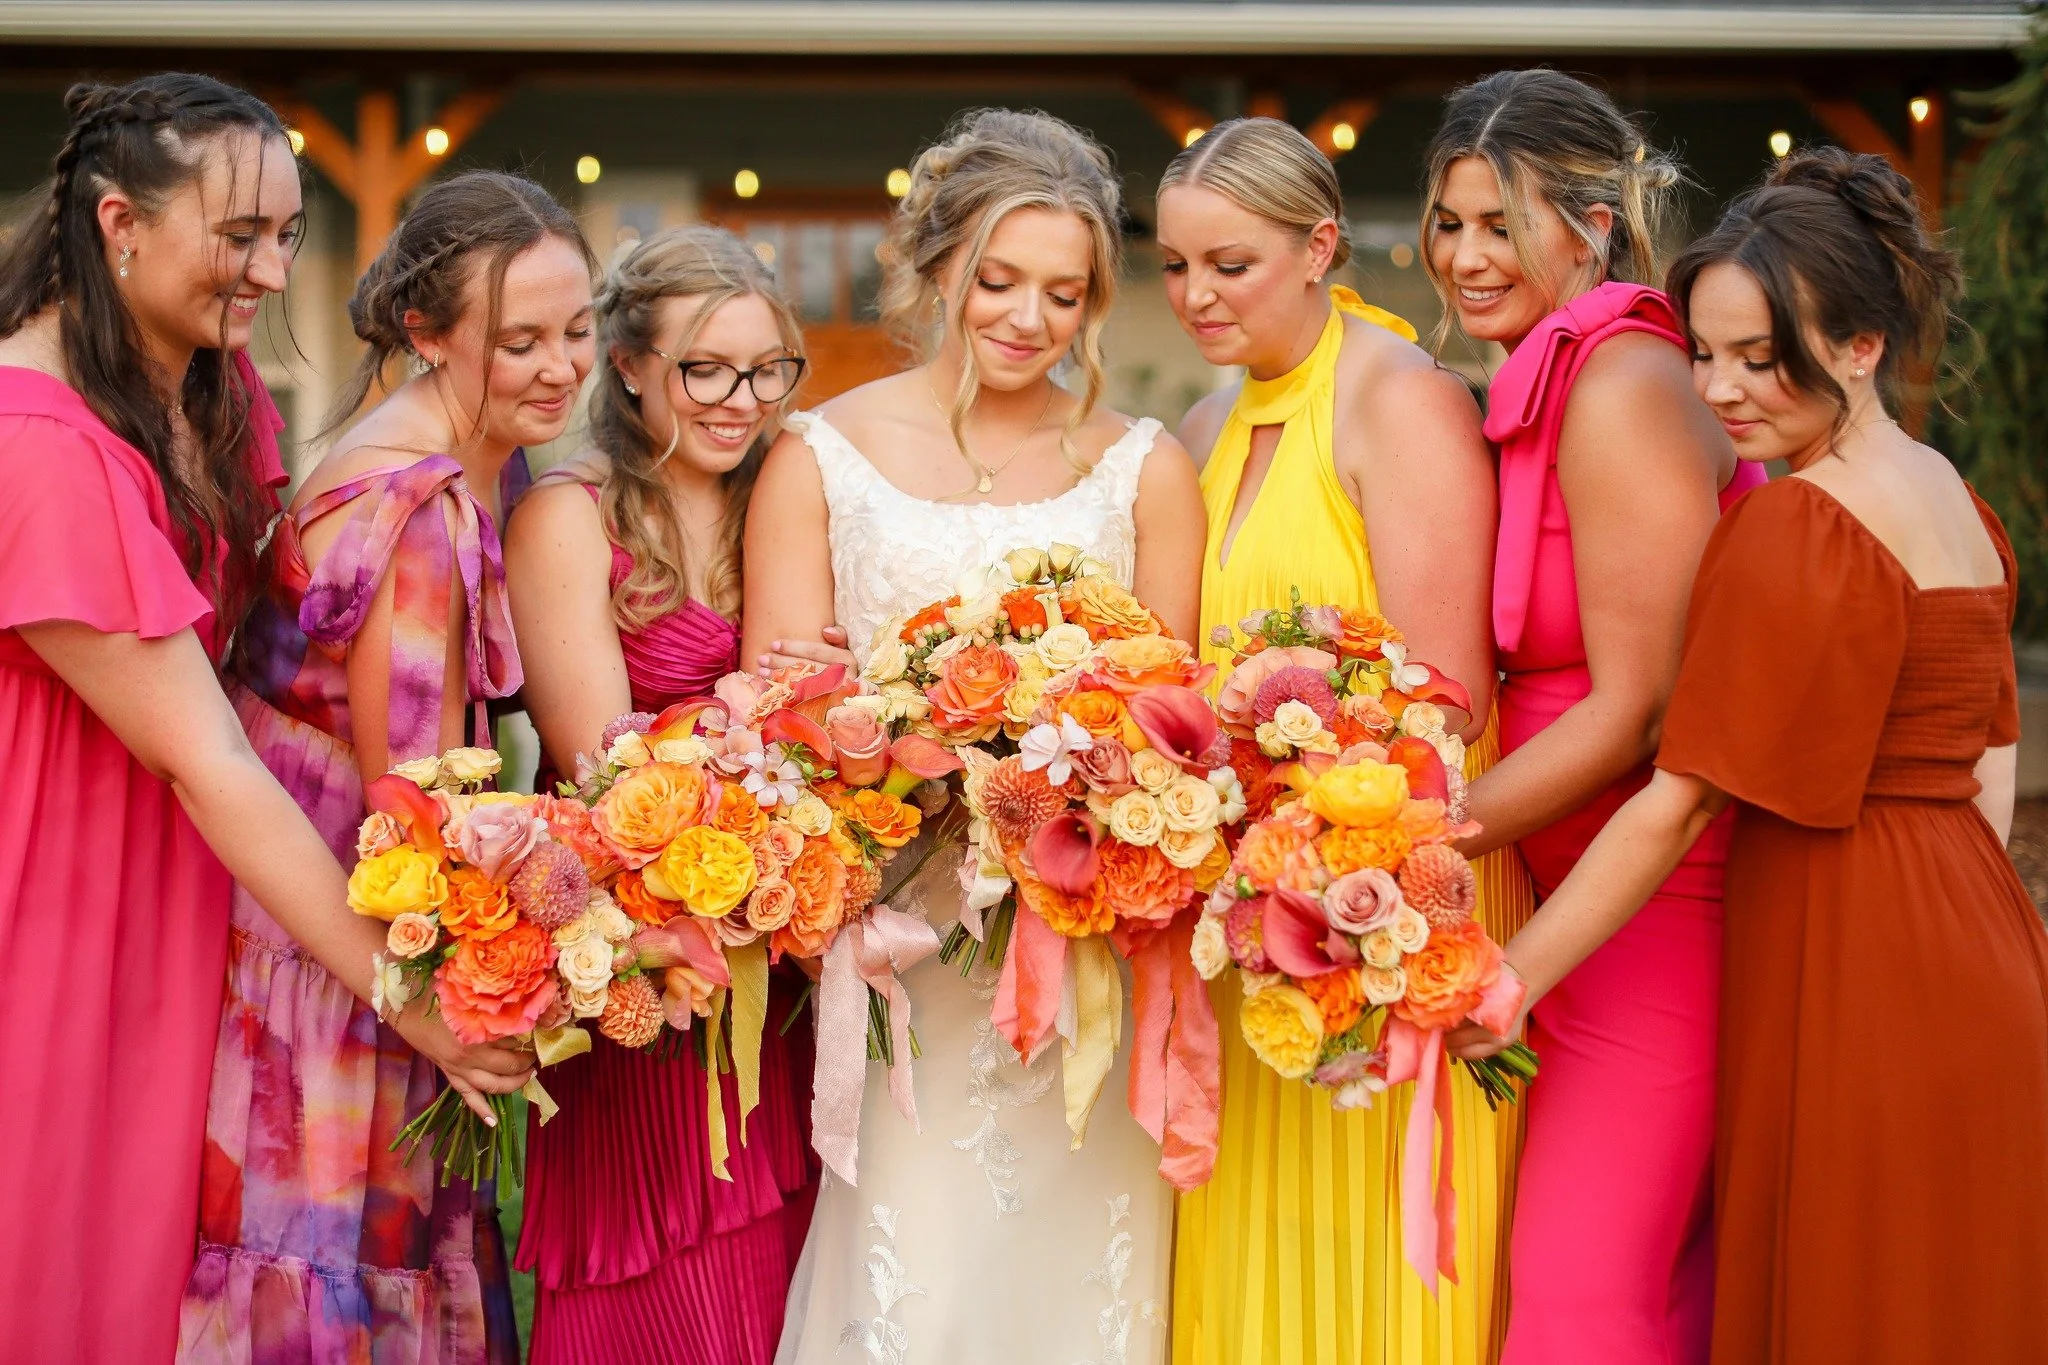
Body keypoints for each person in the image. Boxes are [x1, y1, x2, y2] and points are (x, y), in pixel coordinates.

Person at [1458, 146, 2048, 1365]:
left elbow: (1675, 805)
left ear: (1858, 347)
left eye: (1756, 358)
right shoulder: (1948, 491)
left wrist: (1504, 982)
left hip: (1848, 934)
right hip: (1982, 937)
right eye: (1705, 353)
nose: (1720, 391)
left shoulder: (1797, 519)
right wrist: (1951, 912)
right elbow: (1993, 749)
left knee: (1847, 1288)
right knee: (1943, 1288)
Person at [0, 74, 530, 1364]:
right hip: (66, 891)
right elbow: (205, 758)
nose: (272, 268)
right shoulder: (36, 447)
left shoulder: (207, 386)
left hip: (207, 882)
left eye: (288, 234)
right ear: (119, 225)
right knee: (66, 1246)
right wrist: (408, 1001)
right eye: (239, 236)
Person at [746, 107, 1205, 1365]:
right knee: (918, 1274)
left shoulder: (1140, 468)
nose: (1026, 318)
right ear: (936, 264)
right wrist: (895, 750)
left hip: (1084, 947)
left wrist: (1085, 776)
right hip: (903, 939)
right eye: (997, 280)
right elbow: (776, 720)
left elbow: (1177, 725)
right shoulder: (820, 458)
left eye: (1063, 295)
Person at [179, 169, 594, 1363]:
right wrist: (470, 999)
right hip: (337, 953)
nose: (560, 366)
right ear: (426, 331)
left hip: (292, 928)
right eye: (518, 341)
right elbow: (415, 810)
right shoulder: (416, 511)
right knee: (322, 1272)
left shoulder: (453, 449)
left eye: (576, 330)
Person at [1155, 115, 1531, 1365]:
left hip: (1382, 903)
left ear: (1318, 245)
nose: (1195, 295)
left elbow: (1447, 700)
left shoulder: (1401, 401)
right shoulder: (1202, 429)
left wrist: (1308, 833)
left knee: (1377, 1282)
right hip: (1249, 925)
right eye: (1172, 266)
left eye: (1229, 264)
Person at [1420, 70, 1762, 1365]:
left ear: (1595, 226)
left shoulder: (1621, 385)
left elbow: (1640, 709)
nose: (1464, 255)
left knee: (1580, 1292)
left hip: (1654, 910)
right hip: (1544, 893)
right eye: (1449, 222)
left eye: (1501, 222)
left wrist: (1412, 837)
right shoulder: (1531, 382)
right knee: (1620, 1285)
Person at [504, 225, 821, 1364]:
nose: (740, 401)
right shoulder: (565, 519)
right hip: (637, 962)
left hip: (765, 958)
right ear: (629, 364)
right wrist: (750, 711)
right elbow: (599, 768)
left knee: (774, 1274)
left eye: (764, 370)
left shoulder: (771, 510)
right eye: (705, 370)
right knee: (660, 1297)